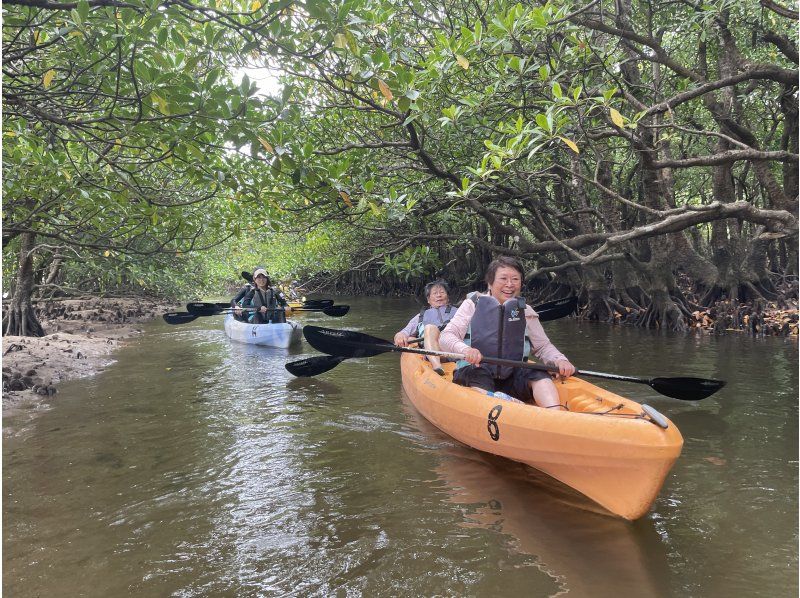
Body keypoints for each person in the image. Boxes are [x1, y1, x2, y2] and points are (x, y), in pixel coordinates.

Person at [439, 256, 575, 407]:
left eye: (515, 279)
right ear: (490, 282)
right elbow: (446, 337)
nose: (509, 285)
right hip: (476, 370)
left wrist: (559, 359)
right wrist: (466, 350)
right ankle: (497, 402)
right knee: (478, 374)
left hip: (512, 375)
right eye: (503, 279)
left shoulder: (525, 311)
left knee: (538, 373)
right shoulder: (472, 305)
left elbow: (543, 347)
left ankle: (554, 415)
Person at [394, 279, 455, 375]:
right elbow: (403, 332)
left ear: (447, 298)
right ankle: (437, 366)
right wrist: (399, 337)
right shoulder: (420, 316)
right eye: (435, 293)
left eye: (442, 292)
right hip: (432, 349)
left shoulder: (459, 312)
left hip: (453, 346)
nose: (439, 295)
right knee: (423, 331)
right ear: (428, 299)